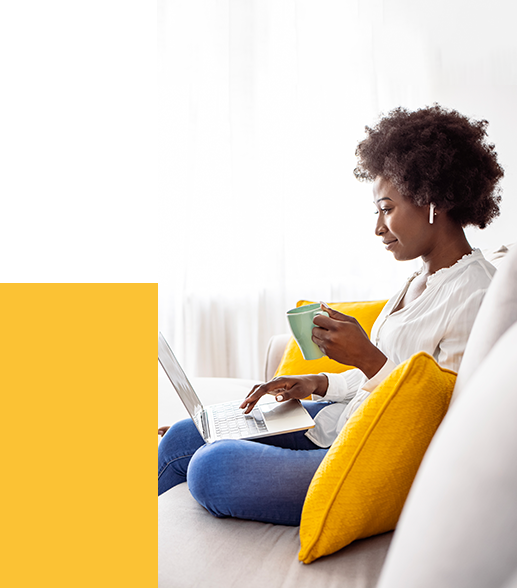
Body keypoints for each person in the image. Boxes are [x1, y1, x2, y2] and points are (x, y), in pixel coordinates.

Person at [157, 104, 504, 525]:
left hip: (374, 462)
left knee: (211, 466)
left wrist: (367, 357)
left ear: (433, 201)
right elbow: (384, 378)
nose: (378, 227)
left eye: (387, 208)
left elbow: (438, 415)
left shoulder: (476, 292)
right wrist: (316, 382)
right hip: (344, 428)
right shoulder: (421, 279)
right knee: (184, 436)